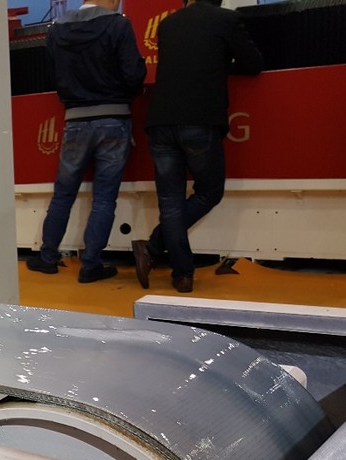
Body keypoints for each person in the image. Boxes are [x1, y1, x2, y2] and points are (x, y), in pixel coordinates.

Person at [132, 0, 263, 293]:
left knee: (170, 201)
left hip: (160, 121)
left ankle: (180, 272)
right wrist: (224, 62)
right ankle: (153, 249)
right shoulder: (226, 20)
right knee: (209, 192)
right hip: (200, 119)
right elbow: (253, 64)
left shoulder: (168, 24)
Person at [26, 0, 146, 284]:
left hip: (75, 120)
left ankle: (47, 257)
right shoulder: (119, 25)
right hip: (114, 118)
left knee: (63, 193)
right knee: (104, 197)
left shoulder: (57, 30)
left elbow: (52, 75)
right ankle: (91, 264)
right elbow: (134, 74)